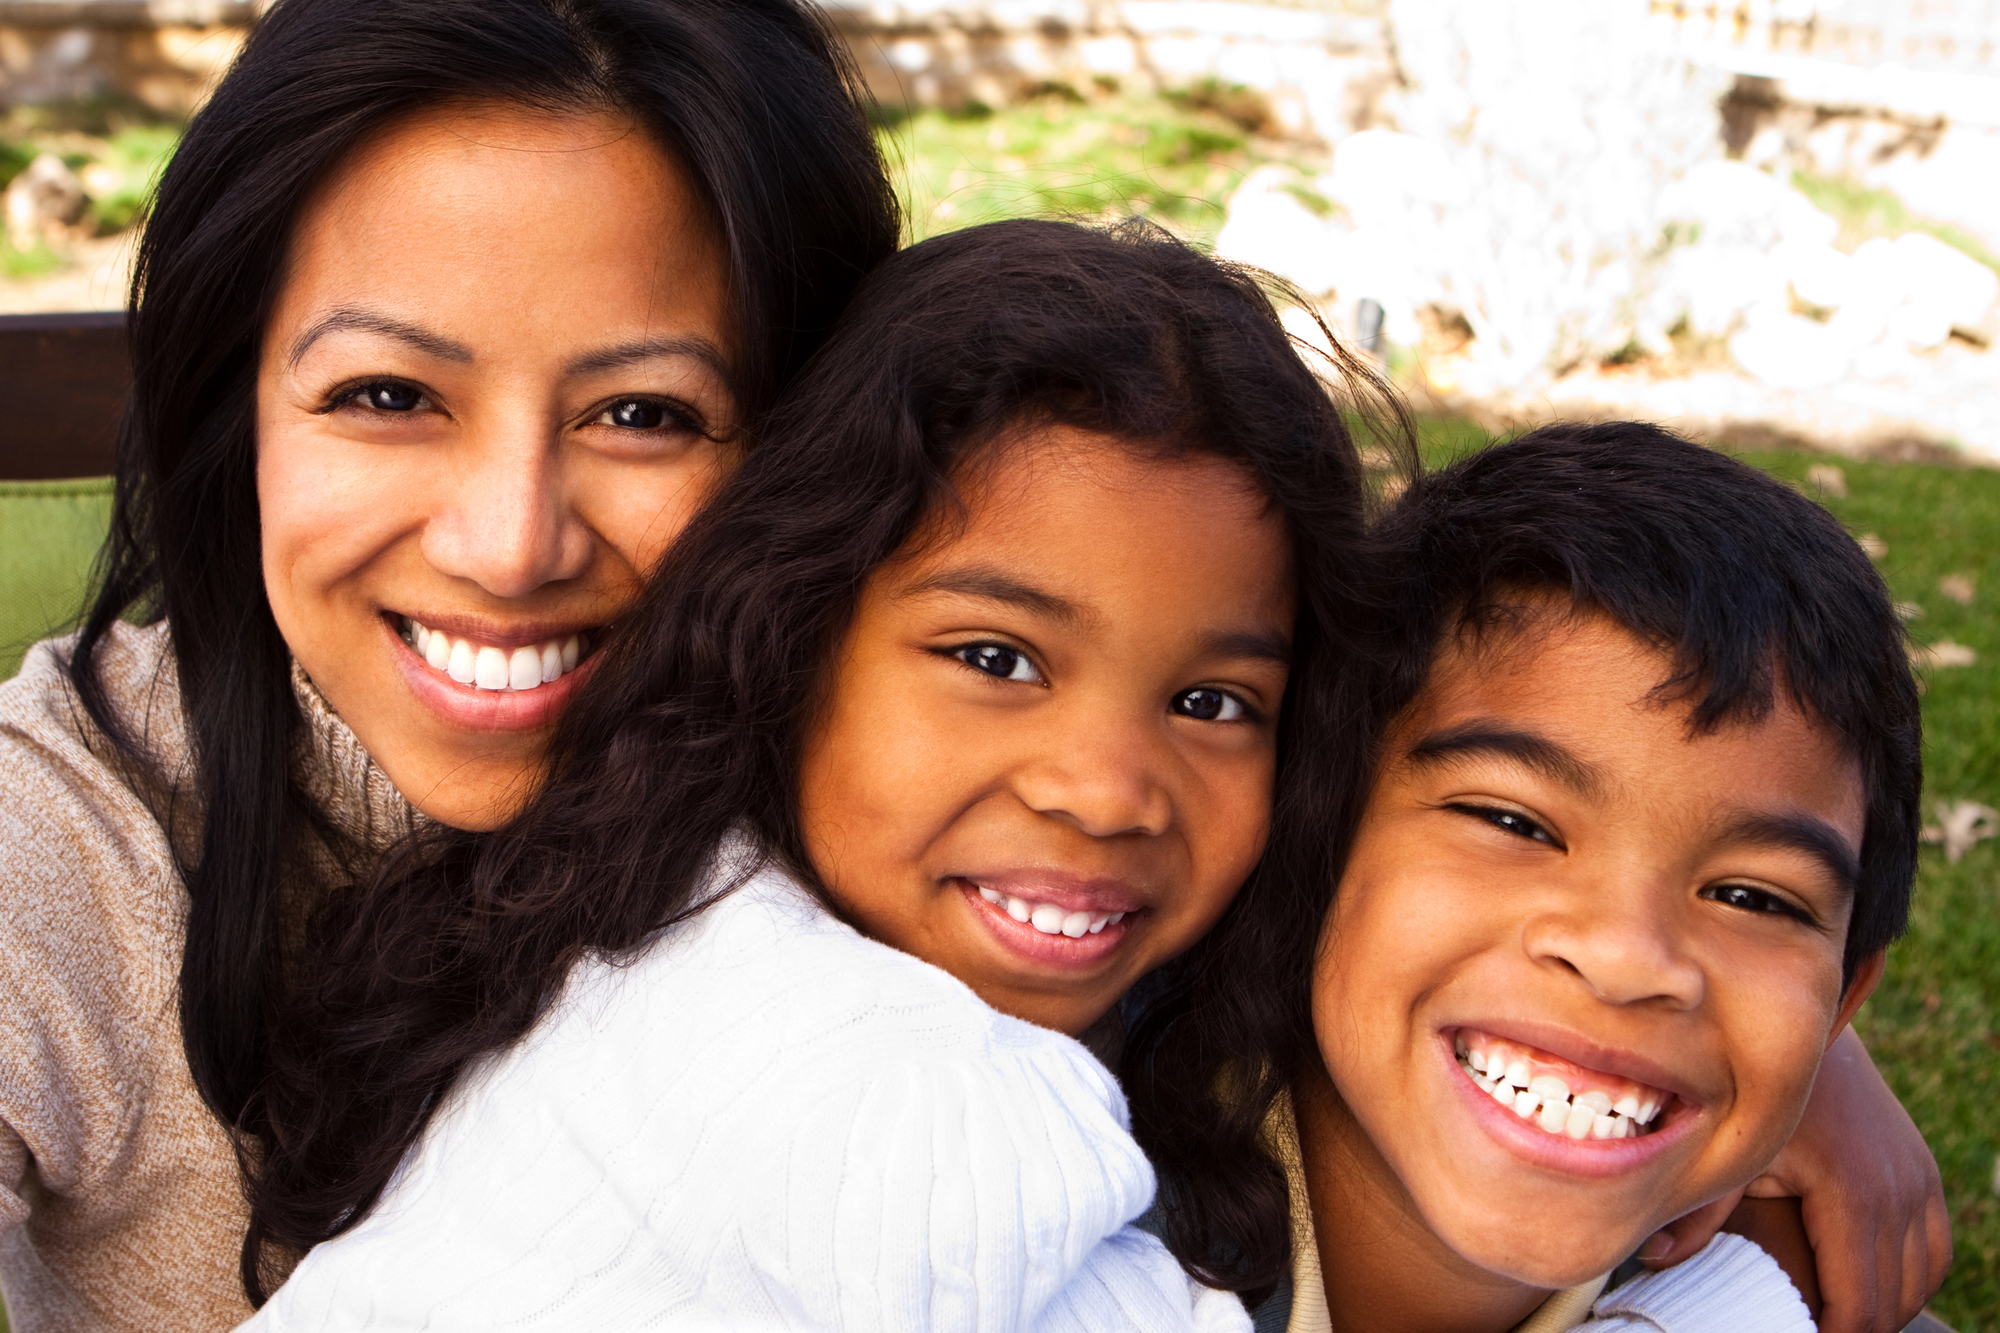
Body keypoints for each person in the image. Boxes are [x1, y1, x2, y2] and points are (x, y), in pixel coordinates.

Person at [230, 217, 1391, 1329]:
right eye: (994, 658)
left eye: (1210, 703)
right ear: (789, 639)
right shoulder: (898, 1086)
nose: (1103, 791)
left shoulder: (642, 914)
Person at [0, 0, 897, 1325]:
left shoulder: (939, 779)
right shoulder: (68, 840)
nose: (507, 545)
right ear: (235, 407)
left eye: (643, 415)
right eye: (388, 395)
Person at [1132, 423, 1951, 1333]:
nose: (1625, 957)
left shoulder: (1837, 1301)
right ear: (1313, 836)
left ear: (1843, 1002)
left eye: (1754, 897)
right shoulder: (1047, 1215)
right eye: (1513, 821)